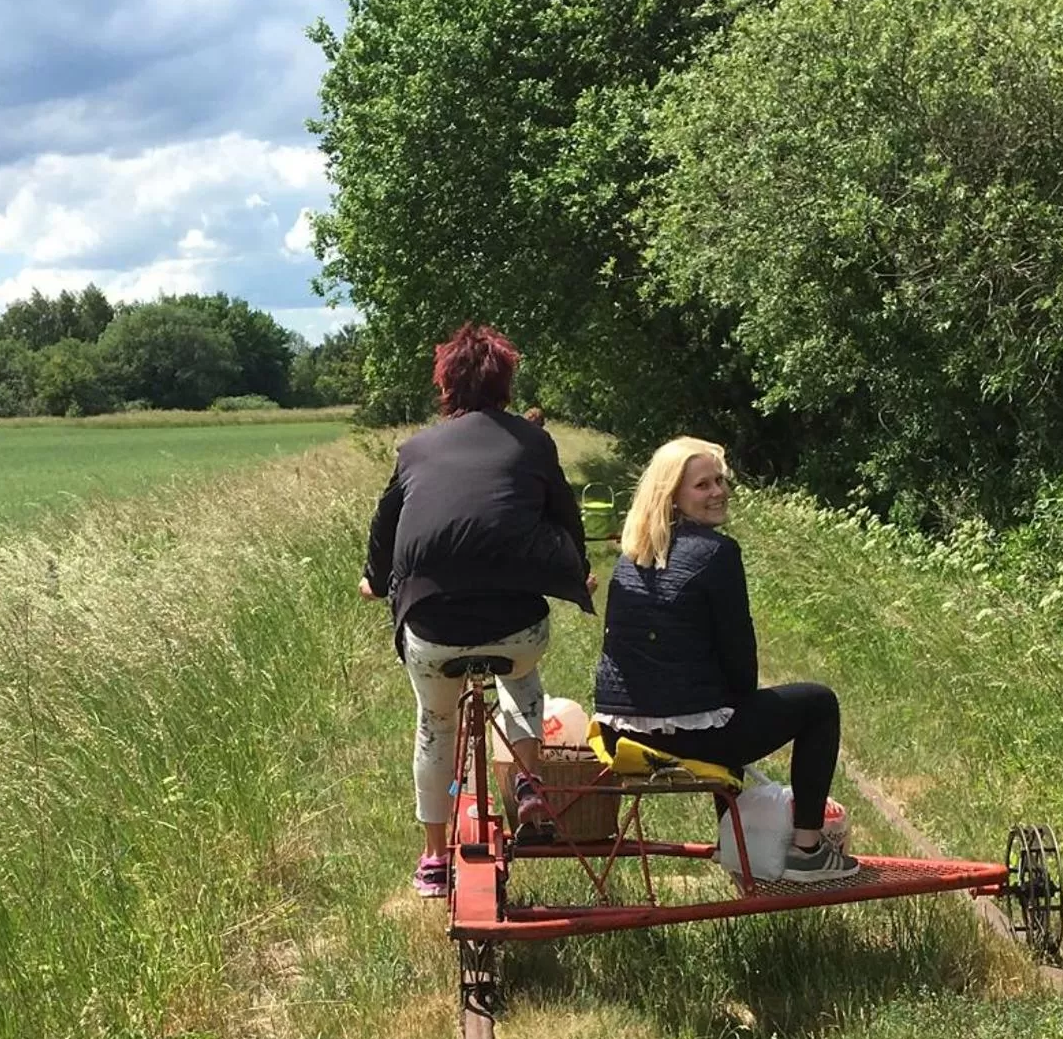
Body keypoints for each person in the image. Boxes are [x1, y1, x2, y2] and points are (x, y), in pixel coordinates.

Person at [362, 323, 595, 897]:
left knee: (434, 722)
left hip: (431, 627)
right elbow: (565, 515)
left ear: (446, 385)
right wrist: (575, 569)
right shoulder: (533, 443)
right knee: (522, 679)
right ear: (506, 384)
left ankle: (434, 859)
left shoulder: (416, 449)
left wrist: (374, 580)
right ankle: (531, 783)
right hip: (515, 629)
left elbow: (384, 525)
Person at [593, 437, 860, 883]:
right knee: (818, 703)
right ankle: (808, 851)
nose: (719, 491)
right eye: (703, 485)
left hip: (620, 733)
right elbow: (741, 667)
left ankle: (734, 843)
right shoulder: (718, 554)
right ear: (672, 495)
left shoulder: (630, 555)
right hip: (689, 740)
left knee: (719, 707)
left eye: (720, 480)